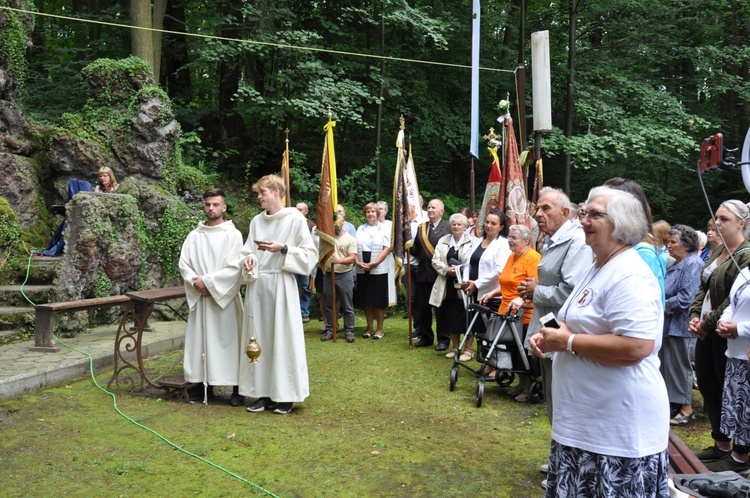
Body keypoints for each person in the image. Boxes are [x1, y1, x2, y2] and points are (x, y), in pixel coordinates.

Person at [529, 186, 669, 497]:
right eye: (584, 213)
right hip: (584, 427)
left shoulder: (630, 274)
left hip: (616, 435)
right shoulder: (598, 266)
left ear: (622, 225)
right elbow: (579, 320)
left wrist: (568, 342)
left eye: (595, 215)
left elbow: (637, 346)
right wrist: (551, 335)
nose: (584, 221)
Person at [519, 187, 592, 485]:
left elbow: (571, 291)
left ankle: (566, 467)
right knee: (553, 401)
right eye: (538, 208)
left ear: (566, 212)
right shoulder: (555, 239)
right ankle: (559, 460)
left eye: (546, 208)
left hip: (562, 333)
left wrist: (538, 291)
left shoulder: (575, 241)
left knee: (562, 403)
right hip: (548, 330)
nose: (538, 214)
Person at [239, 175, 318, 415]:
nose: (259, 197)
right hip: (259, 287)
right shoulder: (256, 221)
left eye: (262, 192)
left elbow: (309, 255)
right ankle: (263, 392)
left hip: (282, 285)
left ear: (275, 191)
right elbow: (246, 251)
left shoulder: (295, 219)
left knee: (283, 338)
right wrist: (249, 259)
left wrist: (283, 248)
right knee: (259, 337)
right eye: (258, 193)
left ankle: (285, 396)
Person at [689, 200, 750, 461]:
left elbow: (731, 298)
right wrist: (694, 315)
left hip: (725, 331)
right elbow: (703, 285)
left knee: (729, 389)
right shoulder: (717, 251)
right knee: (708, 384)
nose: (718, 223)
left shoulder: (746, 254)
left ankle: (738, 450)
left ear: (741, 223)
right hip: (706, 329)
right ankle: (720, 443)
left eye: (724, 219)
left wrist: (707, 323)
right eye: (717, 217)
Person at [178, 188, 245, 406]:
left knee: (229, 342)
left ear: (224, 207)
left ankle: (237, 388)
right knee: (201, 343)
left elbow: (235, 267)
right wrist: (196, 281)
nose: (211, 208)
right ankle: (200, 385)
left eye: (216, 204)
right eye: (208, 204)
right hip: (202, 298)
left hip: (222, 300)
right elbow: (184, 264)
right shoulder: (194, 235)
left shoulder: (232, 235)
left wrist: (208, 283)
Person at [480, 224, 540, 401]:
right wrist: (493, 292)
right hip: (506, 312)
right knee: (512, 349)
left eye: (514, 238)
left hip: (525, 314)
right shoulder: (512, 256)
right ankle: (521, 383)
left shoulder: (533, 258)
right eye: (510, 237)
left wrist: (522, 300)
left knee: (524, 351)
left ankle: (529, 387)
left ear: (527, 241)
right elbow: (507, 282)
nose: (510, 241)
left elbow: (536, 286)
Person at [710, 265, 750, 474]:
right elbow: (731, 304)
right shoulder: (745, 269)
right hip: (736, 351)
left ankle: (740, 460)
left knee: (747, 409)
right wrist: (723, 322)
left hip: (747, 351)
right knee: (738, 407)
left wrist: (739, 328)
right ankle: (736, 456)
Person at [662, 224, 703, 425]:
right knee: (672, 366)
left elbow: (687, 298)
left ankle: (687, 410)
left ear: (686, 245)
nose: (668, 246)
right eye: (668, 241)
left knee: (681, 367)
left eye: (673, 242)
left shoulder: (692, 264)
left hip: (683, 325)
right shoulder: (677, 263)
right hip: (671, 325)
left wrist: (660, 305)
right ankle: (675, 406)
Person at [461, 209, 511, 346]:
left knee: (489, 328)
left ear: (501, 227)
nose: (489, 225)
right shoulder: (478, 241)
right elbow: (468, 263)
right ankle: (478, 355)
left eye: (493, 223)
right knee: (475, 324)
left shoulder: (503, 244)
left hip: (490, 292)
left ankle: (492, 363)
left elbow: (499, 270)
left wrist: (476, 283)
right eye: (487, 222)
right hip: (473, 289)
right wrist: (466, 281)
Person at [429, 213, 474, 360]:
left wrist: (461, 271)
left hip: (465, 284)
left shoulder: (473, 241)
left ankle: (468, 349)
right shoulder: (443, 240)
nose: (456, 226)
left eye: (459, 224)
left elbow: (474, 262)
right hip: (447, 284)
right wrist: (447, 269)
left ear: (465, 226)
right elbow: (435, 260)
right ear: (450, 226)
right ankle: (455, 348)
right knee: (451, 316)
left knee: (467, 316)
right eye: (453, 224)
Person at [410, 199, 450, 349]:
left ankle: (443, 339)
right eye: (429, 207)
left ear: (442, 211)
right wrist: (405, 240)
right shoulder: (422, 227)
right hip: (422, 273)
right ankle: (426, 337)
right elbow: (415, 251)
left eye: (434, 207)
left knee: (441, 308)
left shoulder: (448, 228)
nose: (431, 209)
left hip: (439, 274)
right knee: (423, 308)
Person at [354, 202, 391, 339]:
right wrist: (357, 262)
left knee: (378, 300)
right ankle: (369, 328)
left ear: (378, 213)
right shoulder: (360, 229)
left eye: (373, 211)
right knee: (366, 299)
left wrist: (375, 262)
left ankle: (379, 329)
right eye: (368, 211)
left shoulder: (384, 229)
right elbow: (354, 247)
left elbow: (387, 248)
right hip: (362, 266)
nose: (370, 214)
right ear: (365, 214)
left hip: (378, 266)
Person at [320, 215, 358, 343]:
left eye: (337, 221)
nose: (335, 224)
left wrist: (338, 261)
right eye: (333, 222)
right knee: (329, 304)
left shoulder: (350, 239)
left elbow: (352, 257)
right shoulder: (327, 239)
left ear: (343, 222)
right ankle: (330, 329)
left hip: (344, 275)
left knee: (347, 304)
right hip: (329, 275)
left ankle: (349, 331)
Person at [295, 202, 315, 323]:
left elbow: (313, 245)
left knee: (305, 288)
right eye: (296, 209)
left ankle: (304, 313)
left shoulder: (311, 225)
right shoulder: (291, 223)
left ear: (306, 211)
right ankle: (293, 312)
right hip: (293, 262)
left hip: (305, 262)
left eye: (300, 210)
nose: (298, 211)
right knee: (291, 287)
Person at [377, 200, 398, 308]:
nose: (379, 211)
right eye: (377, 208)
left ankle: (386, 305)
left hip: (388, 256)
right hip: (374, 257)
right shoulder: (371, 225)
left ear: (386, 211)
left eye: (381, 209)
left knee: (388, 281)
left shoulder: (391, 225)